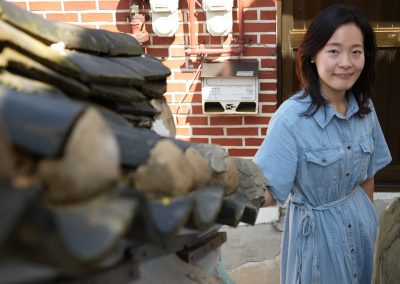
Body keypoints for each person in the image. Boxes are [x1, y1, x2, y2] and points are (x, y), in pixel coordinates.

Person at [253, 4, 392, 284]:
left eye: (356, 51)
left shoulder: (365, 109)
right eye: (333, 50)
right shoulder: (291, 119)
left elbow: (367, 179)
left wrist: (371, 230)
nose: (346, 62)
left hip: (364, 231)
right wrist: (218, 188)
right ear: (313, 56)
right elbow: (267, 191)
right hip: (317, 241)